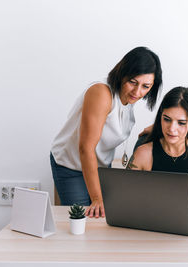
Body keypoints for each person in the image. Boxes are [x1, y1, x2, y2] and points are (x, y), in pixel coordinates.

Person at [50, 46, 162, 218]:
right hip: (71, 165)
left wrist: (158, 127)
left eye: (145, 86)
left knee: (104, 220)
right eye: (133, 82)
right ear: (122, 72)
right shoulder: (101, 93)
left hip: (100, 166)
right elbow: (85, 149)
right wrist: (97, 198)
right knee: (83, 220)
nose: (138, 92)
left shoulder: (128, 99)